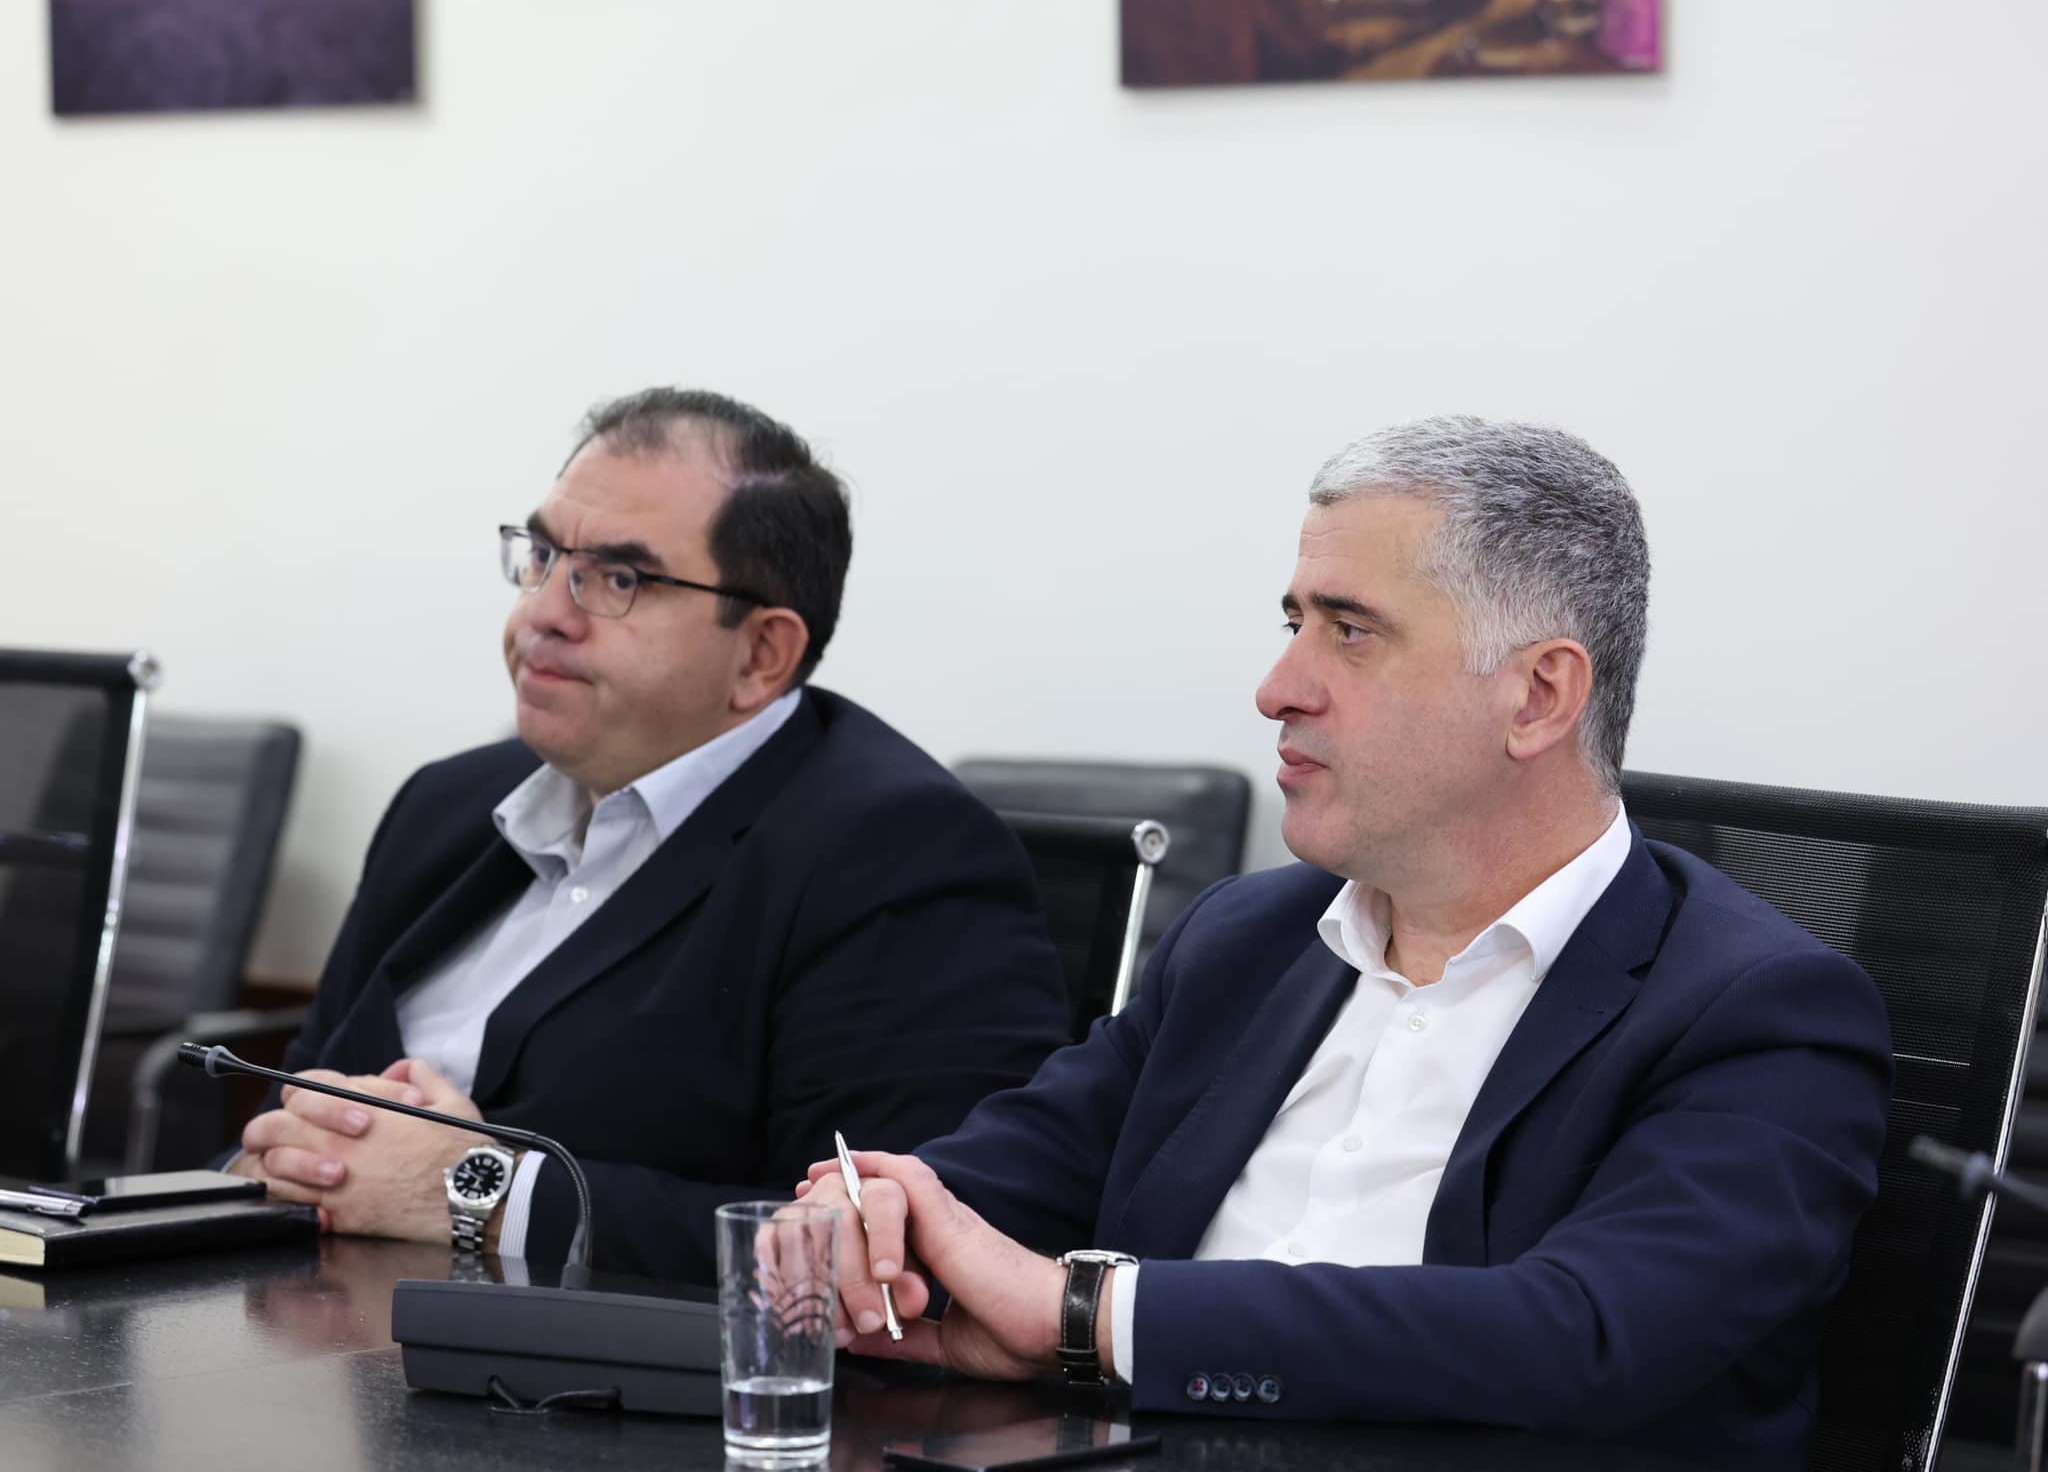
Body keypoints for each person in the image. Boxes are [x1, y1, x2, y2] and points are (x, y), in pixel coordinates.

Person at [799, 417, 1892, 1469]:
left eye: (1350, 631)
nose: (1277, 689)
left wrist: (1083, 1314)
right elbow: (996, 1185)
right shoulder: (1246, 939)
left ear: (1537, 695)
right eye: (1294, 625)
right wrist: (875, 1219)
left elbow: (1584, 1334)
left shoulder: (1759, 1011)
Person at [232, 387, 1070, 1282]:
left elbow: (900, 1250)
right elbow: (297, 1108)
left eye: (619, 579)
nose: (546, 612)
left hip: (586, 1365)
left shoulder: (897, 854)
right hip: (297, 1318)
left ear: (761, 655)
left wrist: (491, 1197)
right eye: (544, 556)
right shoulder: (445, 805)